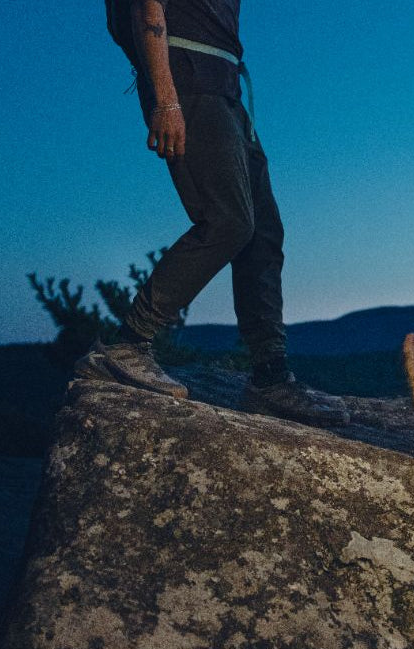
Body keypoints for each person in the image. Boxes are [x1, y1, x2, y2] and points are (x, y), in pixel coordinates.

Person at [78, 0, 349, 427]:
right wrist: (166, 100)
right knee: (229, 221)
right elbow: (144, 11)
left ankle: (270, 377)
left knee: (262, 232)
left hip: (226, 91)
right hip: (188, 83)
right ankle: (124, 347)